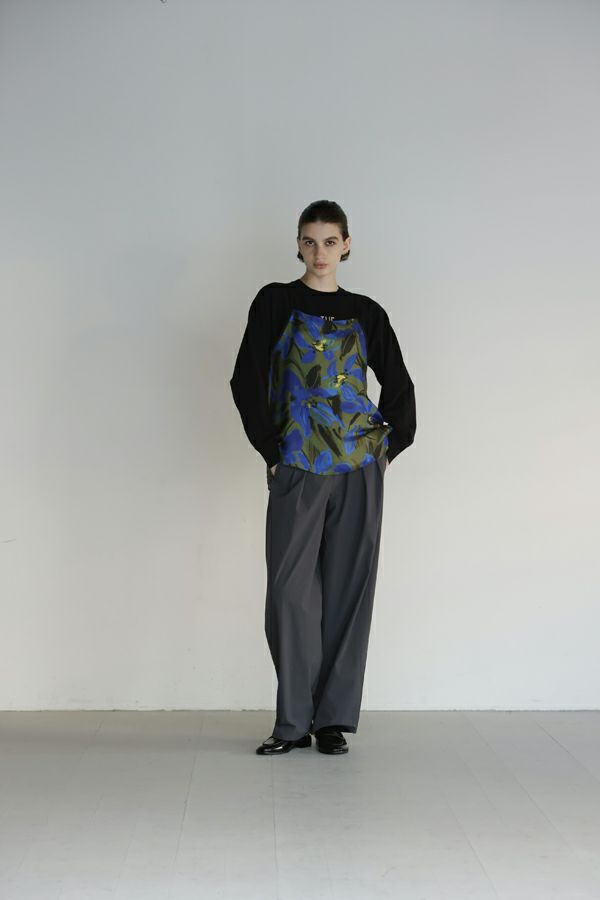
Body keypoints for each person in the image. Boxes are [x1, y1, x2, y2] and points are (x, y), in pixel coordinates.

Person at [230, 200, 416, 756]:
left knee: (347, 592)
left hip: (358, 467)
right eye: (309, 241)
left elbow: (400, 386)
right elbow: (245, 378)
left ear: (347, 245)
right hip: (297, 464)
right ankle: (292, 722)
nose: (319, 253)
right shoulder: (275, 302)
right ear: (297, 244)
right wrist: (271, 451)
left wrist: (387, 450)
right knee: (289, 593)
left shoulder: (366, 312)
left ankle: (332, 721)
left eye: (330, 242)